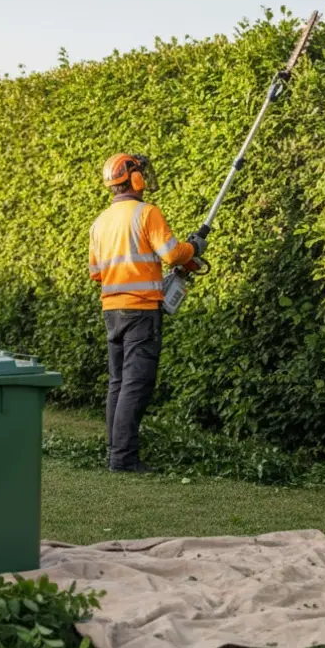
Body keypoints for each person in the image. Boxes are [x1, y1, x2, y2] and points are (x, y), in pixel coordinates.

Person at [87, 153, 205, 473]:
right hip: (140, 311)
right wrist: (192, 248)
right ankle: (124, 459)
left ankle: (115, 451)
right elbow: (171, 254)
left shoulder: (100, 222)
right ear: (135, 180)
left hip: (112, 310)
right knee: (135, 384)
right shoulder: (146, 213)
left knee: (118, 382)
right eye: (140, 172)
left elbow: (96, 272)